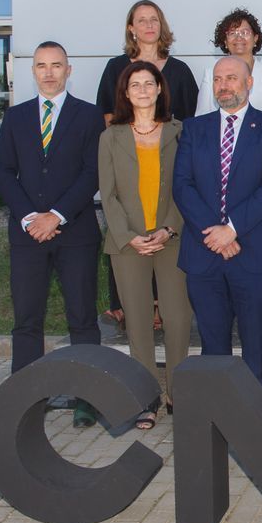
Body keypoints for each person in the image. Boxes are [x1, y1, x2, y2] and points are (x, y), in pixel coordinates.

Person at [0, 41, 105, 428]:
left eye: (56, 65)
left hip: (74, 232)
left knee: (82, 316)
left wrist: (56, 216)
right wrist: (30, 217)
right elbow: (5, 172)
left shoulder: (89, 117)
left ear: (68, 70)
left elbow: (92, 173)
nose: (48, 72)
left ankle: (87, 398)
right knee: (27, 318)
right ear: (33, 71)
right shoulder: (15, 117)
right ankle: (25, 396)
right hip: (27, 235)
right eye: (41, 65)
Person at [174, 56, 262, 395]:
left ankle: (259, 423)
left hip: (253, 253)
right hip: (204, 252)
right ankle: (218, 417)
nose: (224, 85)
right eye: (218, 79)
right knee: (213, 345)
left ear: (249, 82)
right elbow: (182, 185)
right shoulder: (194, 128)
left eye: (232, 78)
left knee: (256, 345)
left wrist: (233, 229)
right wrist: (216, 231)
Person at [99, 60, 194, 429]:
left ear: (159, 89)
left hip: (170, 239)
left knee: (178, 318)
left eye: (148, 83)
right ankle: (145, 398)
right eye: (134, 84)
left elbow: (186, 187)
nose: (142, 90)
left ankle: (178, 393)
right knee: (137, 322)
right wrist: (129, 236)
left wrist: (169, 229)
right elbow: (108, 195)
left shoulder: (179, 132)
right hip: (128, 244)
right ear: (125, 92)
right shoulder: (111, 136)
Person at [95, 0, 200, 329]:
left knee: (165, 233)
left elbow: (191, 122)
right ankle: (130, 308)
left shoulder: (179, 71)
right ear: (131, 28)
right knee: (128, 226)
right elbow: (108, 116)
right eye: (141, 20)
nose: (149, 25)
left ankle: (162, 309)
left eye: (154, 19)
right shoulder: (115, 67)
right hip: (129, 159)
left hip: (167, 163)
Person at [196, 8, 262, 120]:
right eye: (232, 33)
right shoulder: (210, 74)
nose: (239, 37)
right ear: (225, 41)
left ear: (255, 38)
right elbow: (201, 119)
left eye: (245, 32)